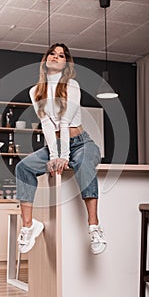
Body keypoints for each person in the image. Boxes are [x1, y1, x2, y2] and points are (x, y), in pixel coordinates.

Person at [16, 43, 107, 255]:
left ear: (66, 63)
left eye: (61, 55)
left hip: (81, 142)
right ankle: (29, 226)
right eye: (53, 53)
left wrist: (63, 157)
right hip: (54, 144)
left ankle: (94, 226)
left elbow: (65, 122)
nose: (56, 57)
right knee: (23, 167)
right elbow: (47, 125)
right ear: (46, 58)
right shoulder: (35, 91)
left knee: (84, 163)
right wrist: (54, 155)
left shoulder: (71, 85)